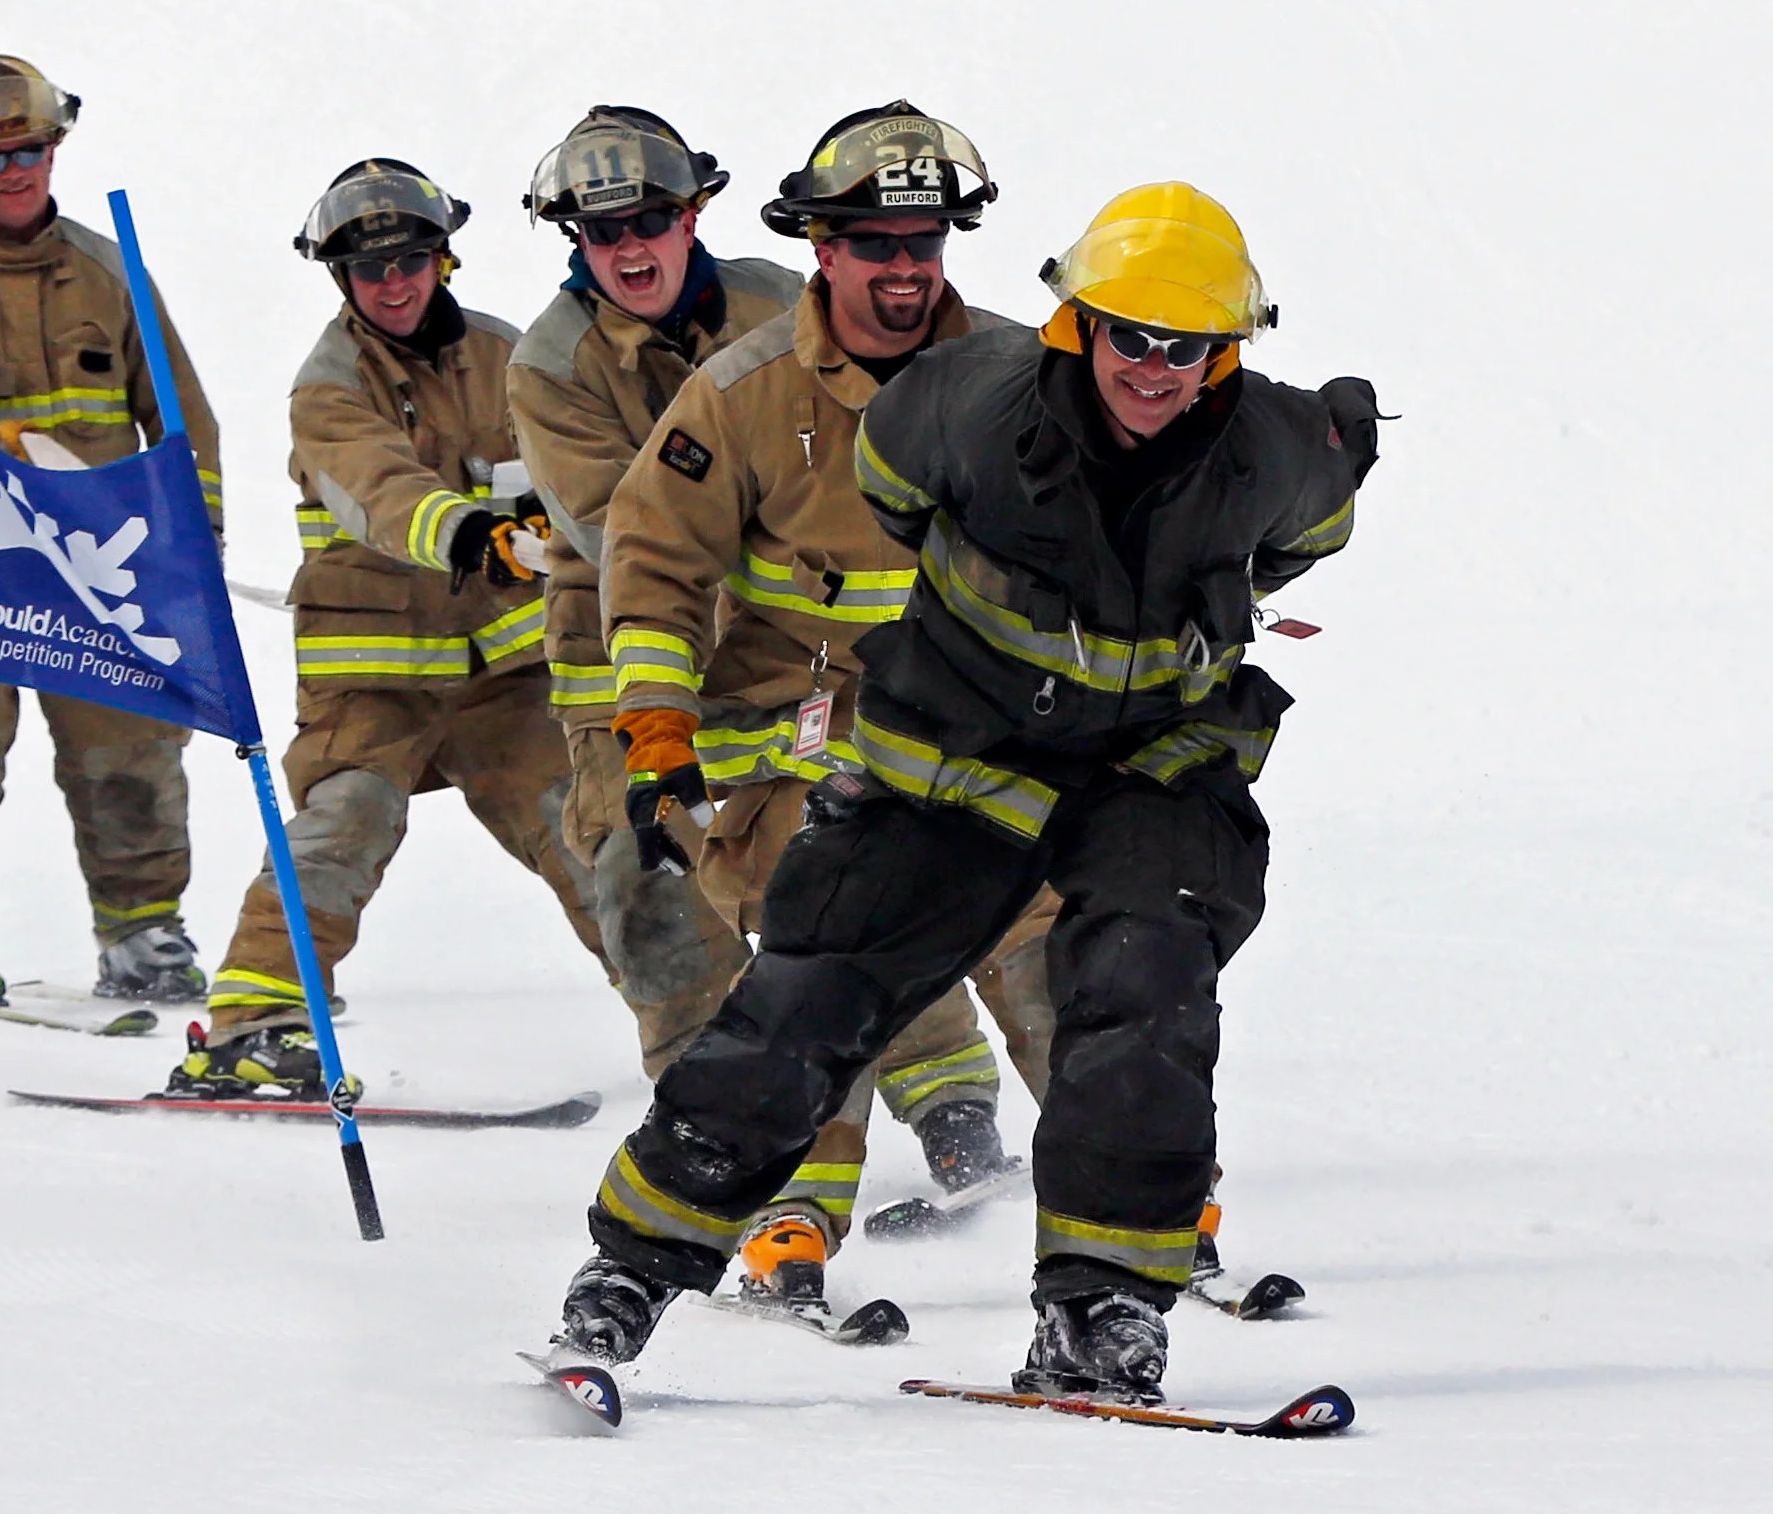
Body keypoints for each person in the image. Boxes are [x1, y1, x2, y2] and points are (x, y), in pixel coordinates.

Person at [554, 181, 1382, 1399]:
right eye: (1132, 337)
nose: (1156, 368)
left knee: (1142, 991)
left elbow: (1310, 524)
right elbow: (888, 492)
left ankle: (1100, 1311)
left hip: (1150, 768)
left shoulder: (1277, 448)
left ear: (1229, 350)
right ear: (1078, 325)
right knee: (811, 995)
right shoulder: (957, 409)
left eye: (1191, 346)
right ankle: (630, 1270)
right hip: (954, 752)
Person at [588, 102, 1057, 1312]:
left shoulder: (1018, 379)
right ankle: (795, 1213)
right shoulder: (742, 397)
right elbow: (651, 566)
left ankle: (1144, 1205)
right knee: (825, 922)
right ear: (822, 250)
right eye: (875, 245)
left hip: (978, 726)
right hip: (795, 734)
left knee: (1060, 929)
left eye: (925, 246)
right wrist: (654, 727)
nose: (904, 272)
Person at [166, 159, 613, 1097]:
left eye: (411, 259)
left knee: (589, 833)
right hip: (371, 678)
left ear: (443, 256)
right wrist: (468, 532)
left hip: (508, 676)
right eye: (371, 271)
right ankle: (252, 1027)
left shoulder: (516, 357)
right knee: (343, 823)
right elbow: (377, 487)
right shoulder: (326, 388)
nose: (394, 283)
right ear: (340, 279)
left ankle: (699, 1024)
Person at [0, 55, 224, 1004]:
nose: (14, 171)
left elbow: (184, 422)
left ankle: (143, 933)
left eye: (29, 149)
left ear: (54, 148)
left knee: (131, 750)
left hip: (97, 568)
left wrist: (194, 546)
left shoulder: (113, 274)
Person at [506, 106, 800, 1079]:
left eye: (647, 220)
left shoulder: (786, 306)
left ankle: (948, 1111)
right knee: (648, 876)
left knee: (835, 862)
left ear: (693, 215)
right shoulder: (551, 363)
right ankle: (701, 1115)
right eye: (601, 230)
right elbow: (615, 527)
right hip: (623, 653)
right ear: (575, 241)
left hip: (791, 639)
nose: (627, 247)